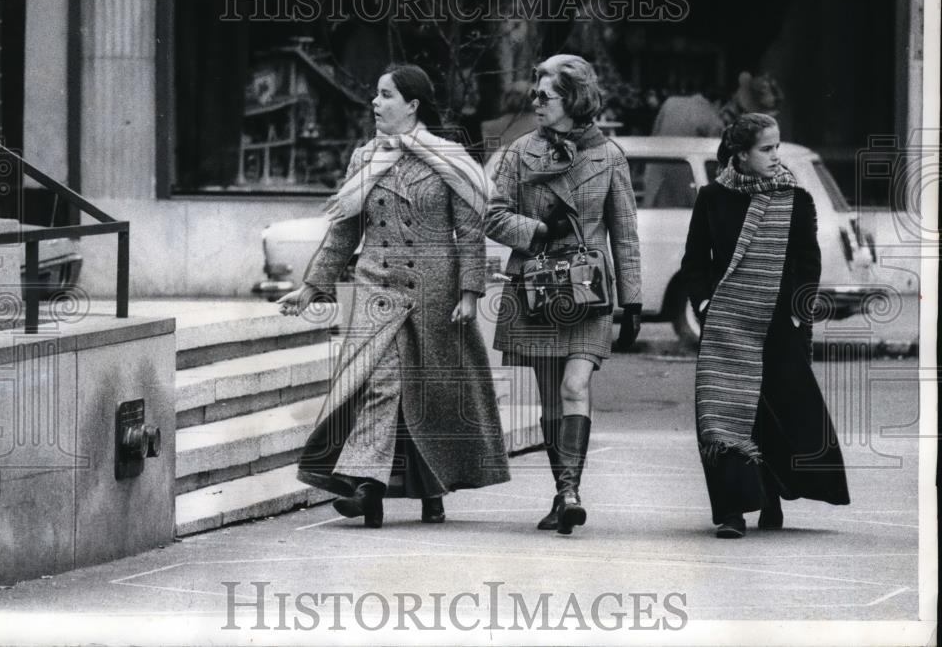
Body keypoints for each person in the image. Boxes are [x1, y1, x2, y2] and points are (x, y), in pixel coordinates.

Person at [279, 64, 510, 527]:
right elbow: (345, 230)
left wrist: (469, 292)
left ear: (412, 105)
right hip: (376, 288)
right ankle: (368, 487)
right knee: (381, 382)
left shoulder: (449, 158)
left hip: (433, 291)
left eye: (385, 96)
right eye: (376, 94)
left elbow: (468, 231)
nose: (375, 103)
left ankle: (430, 487)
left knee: (425, 392)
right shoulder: (364, 159)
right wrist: (312, 285)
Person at [485, 54, 643, 535]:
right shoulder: (518, 153)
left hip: (589, 290)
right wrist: (538, 228)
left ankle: (571, 490)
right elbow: (491, 215)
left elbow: (626, 231)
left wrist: (632, 299)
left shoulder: (609, 155)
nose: (535, 101)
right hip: (538, 287)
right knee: (551, 401)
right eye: (534, 92)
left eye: (545, 94)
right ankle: (562, 493)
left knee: (575, 386)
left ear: (572, 99)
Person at [681, 113, 850, 539]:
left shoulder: (796, 199)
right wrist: (704, 304)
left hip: (777, 324)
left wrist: (795, 315)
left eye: (778, 147)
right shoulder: (712, 198)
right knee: (721, 415)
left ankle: (770, 492)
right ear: (741, 154)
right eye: (767, 149)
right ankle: (732, 512)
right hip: (724, 324)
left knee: (772, 415)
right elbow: (695, 262)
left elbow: (806, 266)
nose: (777, 156)